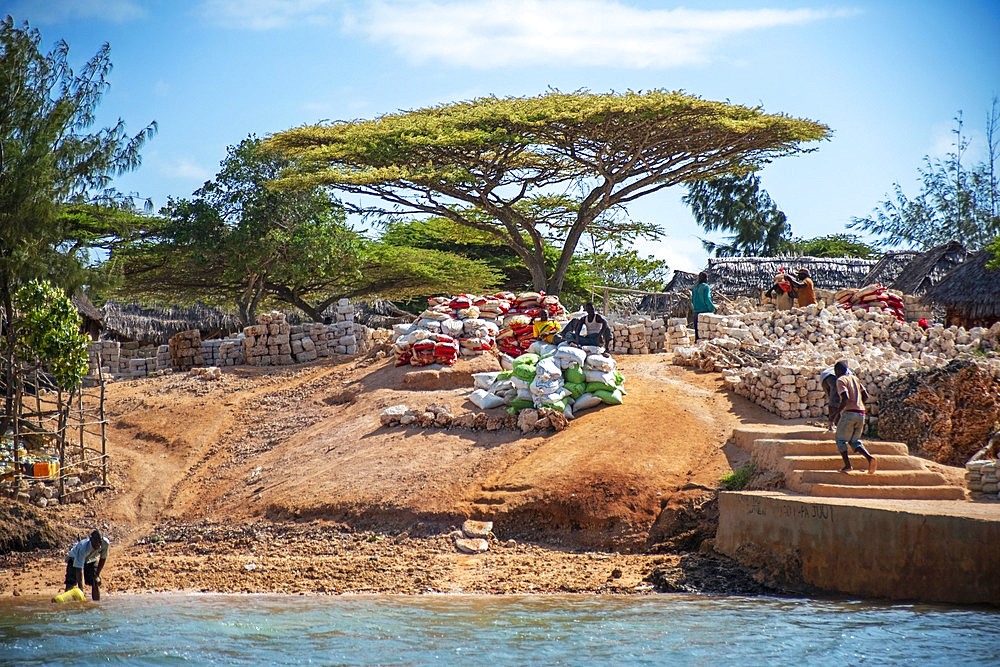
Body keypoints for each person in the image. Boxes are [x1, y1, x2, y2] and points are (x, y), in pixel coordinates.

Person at [831, 361, 877, 474]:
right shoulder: (855, 379)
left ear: (837, 371)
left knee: (840, 439)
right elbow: (865, 396)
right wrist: (859, 404)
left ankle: (847, 465)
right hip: (861, 413)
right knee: (854, 441)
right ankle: (870, 458)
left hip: (850, 413)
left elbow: (845, 397)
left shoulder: (841, 380)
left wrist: (838, 412)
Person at [65, 529, 109, 601]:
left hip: (91, 559)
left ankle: (96, 603)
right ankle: (66, 604)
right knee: (70, 583)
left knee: (95, 581)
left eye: (99, 543)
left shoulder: (105, 543)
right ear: (90, 539)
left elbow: (103, 558)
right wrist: (81, 591)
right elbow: (79, 570)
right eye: (95, 543)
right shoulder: (83, 548)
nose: (97, 545)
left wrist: (97, 575)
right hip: (74, 559)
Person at [819, 364, 852, 431]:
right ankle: (833, 423)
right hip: (827, 377)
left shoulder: (850, 377)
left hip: (827, 376)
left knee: (838, 401)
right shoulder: (834, 379)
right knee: (834, 400)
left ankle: (835, 422)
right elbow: (839, 400)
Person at [691, 272, 715, 341]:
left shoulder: (694, 288)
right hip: (705, 313)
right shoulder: (706, 287)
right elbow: (707, 298)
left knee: (697, 335)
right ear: (705, 278)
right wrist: (712, 308)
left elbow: (692, 300)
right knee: (705, 335)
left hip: (696, 312)